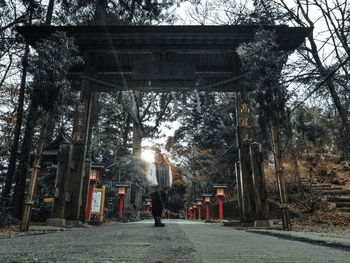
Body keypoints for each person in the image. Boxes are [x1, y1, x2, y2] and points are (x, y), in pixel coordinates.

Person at [146, 150, 172, 227]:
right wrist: (152, 181)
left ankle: (158, 219)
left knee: (161, 204)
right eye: (155, 156)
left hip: (163, 188)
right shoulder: (152, 165)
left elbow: (170, 177)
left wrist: (169, 185)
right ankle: (156, 220)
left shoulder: (167, 166)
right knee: (155, 203)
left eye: (158, 156)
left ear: (161, 156)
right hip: (154, 188)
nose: (157, 157)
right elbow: (148, 175)